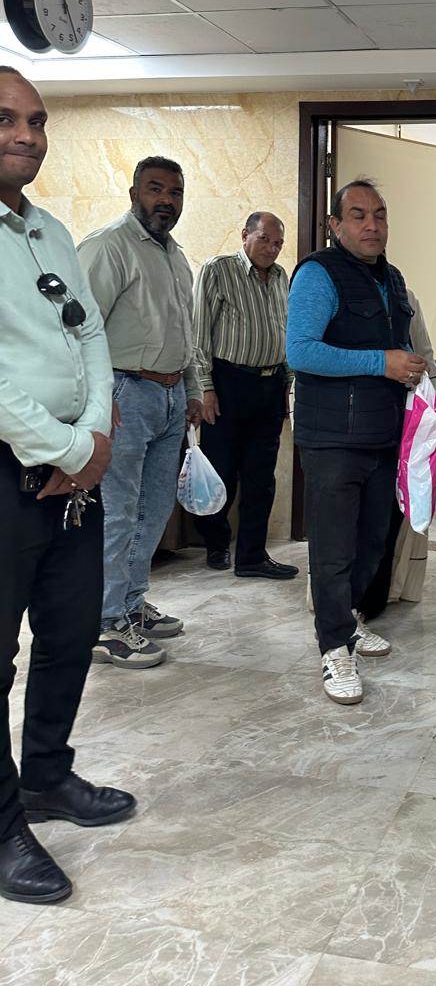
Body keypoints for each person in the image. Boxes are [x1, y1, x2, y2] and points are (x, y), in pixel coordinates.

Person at [0, 66, 135, 906]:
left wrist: (90, 441)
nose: (27, 135)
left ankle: (47, 776)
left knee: (71, 632)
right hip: (8, 471)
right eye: (7, 119)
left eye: (38, 121)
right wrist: (66, 447)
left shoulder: (49, 231)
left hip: (72, 474)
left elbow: (89, 338)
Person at [287, 180, 426, 705]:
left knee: (372, 544)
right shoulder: (318, 273)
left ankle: (348, 620)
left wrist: (412, 371)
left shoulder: (392, 277)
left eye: (380, 215)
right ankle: (333, 648)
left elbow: (397, 344)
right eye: (359, 215)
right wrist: (381, 362)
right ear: (335, 224)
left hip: (383, 435)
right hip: (332, 439)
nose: (372, 225)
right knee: (333, 550)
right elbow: (301, 351)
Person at [78, 157, 203, 669]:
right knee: (119, 512)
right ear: (134, 193)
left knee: (154, 510)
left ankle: (130, 604)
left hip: (169, 398)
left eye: (175, 192)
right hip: (124, 394)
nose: (166, 200)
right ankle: (105, 623)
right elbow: (78, 332)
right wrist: (98, 399)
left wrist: (192, 388)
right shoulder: (108, 247)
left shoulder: (176, 257)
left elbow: (185, 332)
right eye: (156, 189)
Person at [192, 211, 298, 581]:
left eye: (278, 243)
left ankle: (252, 556)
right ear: (245, 235)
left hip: (270, 385)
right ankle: (216, 543)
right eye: (265, 239)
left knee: (261, 477)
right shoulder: (218, 270)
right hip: (228, 383)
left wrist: (288, 383)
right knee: (222, 471)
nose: (272, 248)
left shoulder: (282, 277)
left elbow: (286, 330)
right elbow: (199, 333)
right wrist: (205, 387)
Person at [357, 286, 436, 617]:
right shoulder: (330, 289)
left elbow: (424, 351)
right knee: (348, 516)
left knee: (389, 510)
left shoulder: (404, 295)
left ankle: (375, 596)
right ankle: (342, 601)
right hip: (348, 422)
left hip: (400, 419)